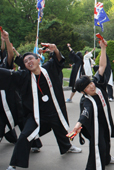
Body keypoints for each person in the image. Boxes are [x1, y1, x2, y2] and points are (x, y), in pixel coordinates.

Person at [0, 42, 82, 170]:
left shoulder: (49, 68)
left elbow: (59, 60)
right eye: (25, 61)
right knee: (24, 136)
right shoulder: (24, 76)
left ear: (38, 59)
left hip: (54, 109)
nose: (28, 62)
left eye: (31, 59)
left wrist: (55, 50)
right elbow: (7, 76)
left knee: (60, 128)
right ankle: (13, 164)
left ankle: (67, 146)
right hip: (36, 114)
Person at [71, 39, 114, 170]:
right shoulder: (86, 100)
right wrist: (77, 126)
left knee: (107, 141)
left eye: (90, 83)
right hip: (94, 125)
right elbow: (84, 114)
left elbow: (102, 66)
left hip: (104, 119)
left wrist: (103, 49)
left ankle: (107, 158)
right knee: (98, 145)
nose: (91, 86)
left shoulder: (96, 84)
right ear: (82, 91)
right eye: (87, 87)